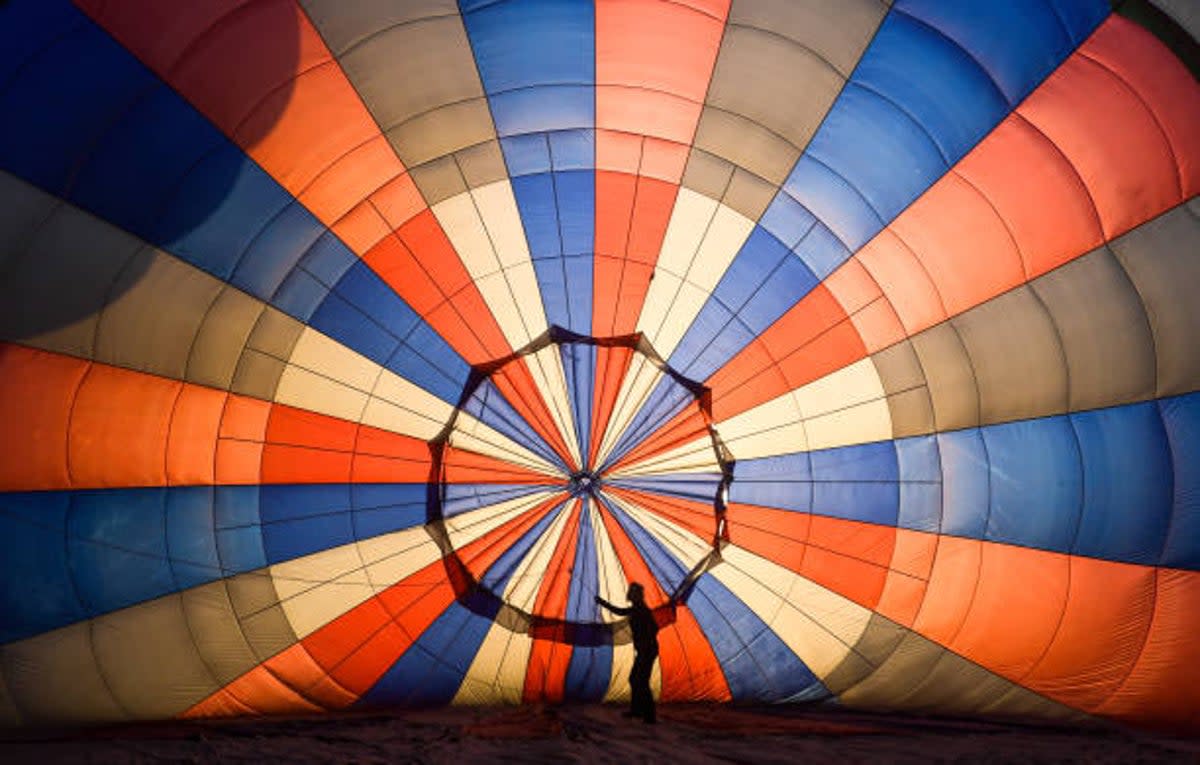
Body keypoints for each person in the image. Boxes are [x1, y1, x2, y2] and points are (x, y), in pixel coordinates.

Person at [596, 583, 659, 724]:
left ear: (635, 595)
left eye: (631, 592)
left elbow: (653, 628)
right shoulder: (638, 609)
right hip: (646, 650)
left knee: (640, 681)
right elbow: (621, 612)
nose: (629, 593)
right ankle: (638, 711)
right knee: (635, 679)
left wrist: (644, 640)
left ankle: (649, 716)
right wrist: (602, 603)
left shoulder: (640, 610)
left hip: (647, 650)